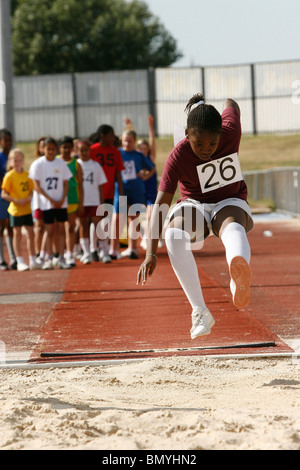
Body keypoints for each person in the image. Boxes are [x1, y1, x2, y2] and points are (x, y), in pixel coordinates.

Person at [137, 93, 253, 340]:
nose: (206, 150)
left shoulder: (230, 131)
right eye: (199, 144)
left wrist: (227, 103)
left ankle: (238, 278)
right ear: (187, 135)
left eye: (212, 144)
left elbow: (232, 104)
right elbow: (161, 204)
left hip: (229, 201)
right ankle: (200, 311)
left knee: (233, 228)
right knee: (174, 236)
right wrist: (150, 252)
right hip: (194, 203)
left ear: (221, 134)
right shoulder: (178, 156)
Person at [29, 136, 73, 270]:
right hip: (47, 203)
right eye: (48, 149)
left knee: (61, 229)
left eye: (53, 149)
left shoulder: (61, 164)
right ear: (43, 149)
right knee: (49, 230)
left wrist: (61, 199)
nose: (51, 151)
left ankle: (60, 257)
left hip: (60, 202)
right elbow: (36, 185)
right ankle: (48, 257)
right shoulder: (38, 164)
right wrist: (50, 199)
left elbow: (66, 183)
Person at [111, 129, 155, 259]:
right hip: (121, 190)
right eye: (125, 140)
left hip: (136, 190)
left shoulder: (138, 155)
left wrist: (144, 177)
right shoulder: (117, 153)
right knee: (117, 218)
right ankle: (113, 249)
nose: (127, 143)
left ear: (134, 141)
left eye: (130, 141)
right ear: (121, 140)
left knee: (133, 219)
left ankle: (133, 248)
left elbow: (151, 168)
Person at [90, 124, 124, 263]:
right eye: (111, 134)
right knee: (94, 221)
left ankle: (104, 249)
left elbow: (118, 174)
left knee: (105, 222)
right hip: (93, 193)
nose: (113, 137)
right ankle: (92, 248)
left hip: (109, 192)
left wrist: (122, 194)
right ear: (103, 135)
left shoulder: (115, 151)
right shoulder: (92, 150)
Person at [1, 149, 39, 271]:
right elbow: (3, 194)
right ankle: (19, 260)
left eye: (19, 160)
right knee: (17, 235)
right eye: (14, 160)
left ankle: (32, 258)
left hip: (27, 209)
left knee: (30, 234)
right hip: (15, 210)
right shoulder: (9, 176)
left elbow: (31, 191)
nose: (17, 163)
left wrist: (29, 197)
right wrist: (15, 200)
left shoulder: (27, 175)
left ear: (23, 161)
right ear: (11, 162)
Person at [77, 140, 107, 264]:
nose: (84, 153)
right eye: (81, 150)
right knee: (83, 225)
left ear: (90, 151)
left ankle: (104, 251)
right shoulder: (76, 165)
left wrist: (102, 202)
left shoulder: (95, 165)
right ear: (77, 151)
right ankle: (86, 252)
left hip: (94, 199)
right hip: (81, 201)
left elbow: (100, 185)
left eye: (86, 150)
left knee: (98, 225)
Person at [58, 136, 84, 267]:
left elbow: (80, 184)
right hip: (58, 199)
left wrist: (81, 203)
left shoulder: (76, 164)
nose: (66, 150)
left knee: (71, 227)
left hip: (72, 198)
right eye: (64, 147)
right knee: (59, 229)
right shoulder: (55, 162)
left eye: (69, 147)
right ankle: (59, 254)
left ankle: (70, 253)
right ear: (60, 148)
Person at [0, 129, 17, 270]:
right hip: (2, 196)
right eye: (5, 140)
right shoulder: (0, 158)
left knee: (11, 226)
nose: (8, 143)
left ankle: (13, 258)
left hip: (13, 197)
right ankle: (1, 259)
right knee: (1, 226)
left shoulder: (13, 157)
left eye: (10, 140)